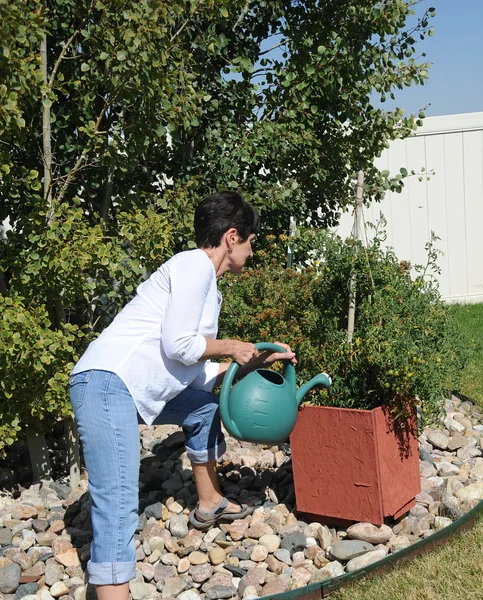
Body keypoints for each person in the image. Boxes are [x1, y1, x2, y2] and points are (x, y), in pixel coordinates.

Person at [69, 190, 296, 600]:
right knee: (118, 503)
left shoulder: (207, 286)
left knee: (203, 408)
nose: (251, 248)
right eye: (250, 240)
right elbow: (180, 344)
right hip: (106, 383)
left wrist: (256, 361)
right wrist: (231, 345)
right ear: (231, 237)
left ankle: (209, 502)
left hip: (132, 390)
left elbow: (198, 373)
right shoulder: (193, 266)